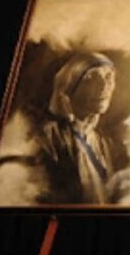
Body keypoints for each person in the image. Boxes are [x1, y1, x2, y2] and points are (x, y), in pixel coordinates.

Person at [34, 52, 120, 204]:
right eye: (91, 78)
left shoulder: (101, 142)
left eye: (109, 78)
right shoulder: (46, 137)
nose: (104, 86)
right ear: (69, 86)